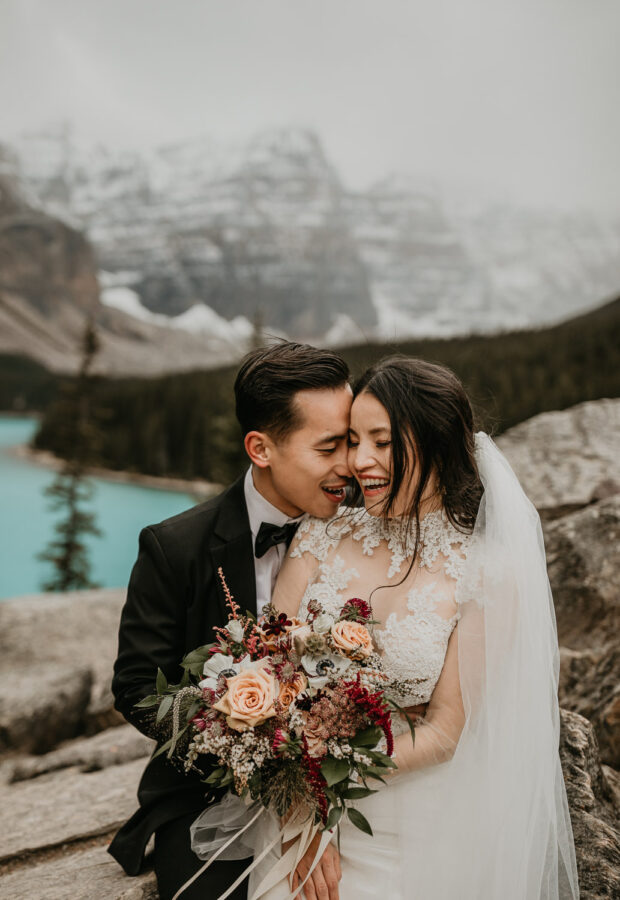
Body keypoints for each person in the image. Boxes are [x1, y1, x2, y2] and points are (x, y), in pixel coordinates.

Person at [237, 355, 579, 899]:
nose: (359, 462)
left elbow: (444, 730)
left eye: (383, 442)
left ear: (437, 442)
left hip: (417, 825)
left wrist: (325, 782)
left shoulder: (487, 570)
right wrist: (298, 808)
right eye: (353, 440)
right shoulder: (322, 533)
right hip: (300, 812)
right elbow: (268, 667)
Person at [107, 341, 354, 900]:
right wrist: (239, 736)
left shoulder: (366, 529)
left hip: (350, 780)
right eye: (329, 447)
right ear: (260, 448)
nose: (350, 465)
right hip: (208, 792)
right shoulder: (175, 547)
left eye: (353, 441)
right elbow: (136, 687)